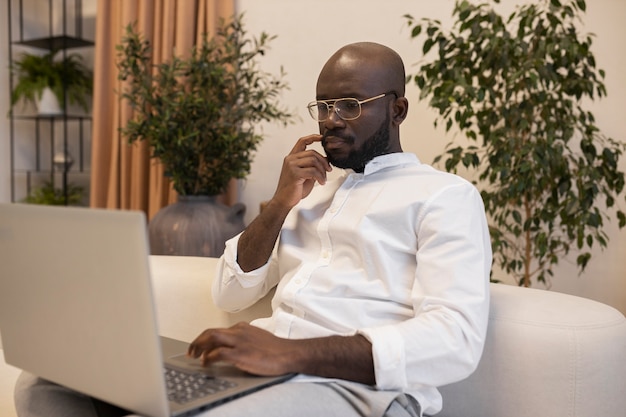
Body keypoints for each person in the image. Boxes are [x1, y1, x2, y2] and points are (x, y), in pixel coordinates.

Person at [14, 42, 491, 417]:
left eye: (349, 105)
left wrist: (290, 353)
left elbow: (455, 340)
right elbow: (229, 293)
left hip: (356, 392)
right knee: (42, 385)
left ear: (398, 110)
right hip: (260, 372)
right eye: (323, 106)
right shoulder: (310, 190)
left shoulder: (444, 197)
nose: (330, 121)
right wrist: (281, 203)